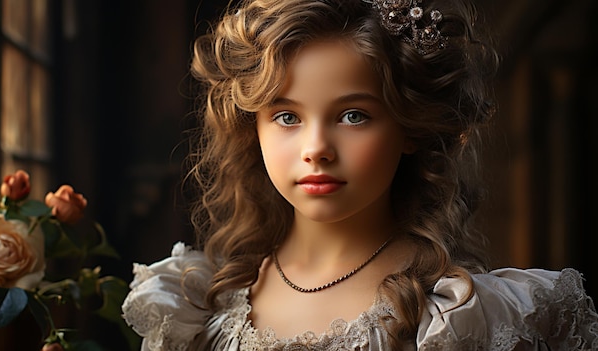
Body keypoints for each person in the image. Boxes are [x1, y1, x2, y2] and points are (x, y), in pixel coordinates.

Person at [121, 0, 598, 349]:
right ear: (255, 129)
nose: (317, 151)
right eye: (287, 117)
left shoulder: (465, 320)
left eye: (353, 116)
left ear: (410, 127)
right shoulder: (196, 303)